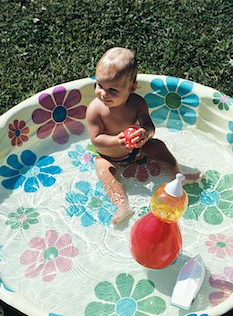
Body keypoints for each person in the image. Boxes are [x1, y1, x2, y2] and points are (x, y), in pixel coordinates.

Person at [86, 47, 203, 225]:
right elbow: (97, 140)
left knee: (158, 146)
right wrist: (117, 141)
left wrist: (145, 134)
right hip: (108, 154)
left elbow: (149, 126)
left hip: (136, 149)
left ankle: (179, 176)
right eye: (99, 85)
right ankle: (122, 205)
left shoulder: (137, 103)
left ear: (131, 88)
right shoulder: (95, 110)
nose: (103, 93)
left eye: (113, 90)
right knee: (103, 171)